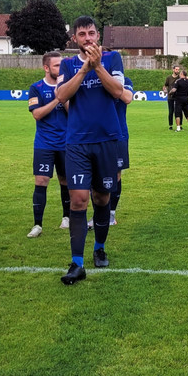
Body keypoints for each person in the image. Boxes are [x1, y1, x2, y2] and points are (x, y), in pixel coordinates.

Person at [56, 16, 126, 284]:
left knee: (101, 199)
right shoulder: (68, 64)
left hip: (107, 140)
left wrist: (98, 67)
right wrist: (85, 69)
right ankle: (76, 263)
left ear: (99, 36)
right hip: (77, 143)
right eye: (82, 34)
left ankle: (99, 247)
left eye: (92, 33)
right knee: (78, 200)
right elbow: (62, 96)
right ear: (75, 38)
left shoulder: (113, 59)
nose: (87, 38)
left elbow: (118, 91)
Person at [27, 52, 71, 238]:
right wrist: (56, 100)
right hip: (44, 144)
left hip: (66, 144)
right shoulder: (36, 88)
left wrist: (64, 95)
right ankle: (37, 224)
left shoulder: (68, 88)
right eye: (56, 66)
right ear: (46, 68)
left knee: (65, 181)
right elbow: (37, 114)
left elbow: (74, 113)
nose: (60, 69)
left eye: (62, 65)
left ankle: (67, 218)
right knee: (41, 181)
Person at [110, 76, 133, 225]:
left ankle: (111, 213)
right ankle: (98, 212)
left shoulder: (126, 81)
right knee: (94, 175)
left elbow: (127, 98)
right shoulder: (92, 78)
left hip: (119, 134)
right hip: (95, 134)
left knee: (116, 174)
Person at [163, 66, 181, 130]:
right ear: (173, 70)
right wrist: (165, 90)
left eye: (178, 69)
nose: (178, 71)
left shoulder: (180, 77)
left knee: (178, 111)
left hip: (178, 97)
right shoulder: (169, 78)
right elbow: (165, 86)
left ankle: (179, 125)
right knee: (171, 111)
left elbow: (186, 78)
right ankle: (170, 125)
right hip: (170, 97)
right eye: (176, 69)